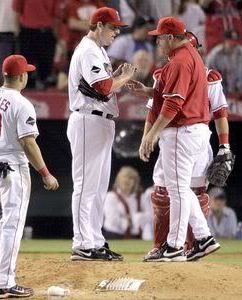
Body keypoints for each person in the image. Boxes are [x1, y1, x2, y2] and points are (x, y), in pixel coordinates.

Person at [130, 31, 232, 261]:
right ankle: (202, 238)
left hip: (184, 133)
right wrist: (148, 132)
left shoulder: (191, 67)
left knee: (180, 191)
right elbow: (157, 104)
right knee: (174, 189)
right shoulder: (177, 67)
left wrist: (224, 146)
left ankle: (175, 246)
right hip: (189, 134)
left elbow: (211, 110)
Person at [0, 54, 59, 298]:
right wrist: (46, 173)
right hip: (11, 170)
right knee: (14, 222)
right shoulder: (22, 103)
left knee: (3, 219)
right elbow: (28, 142)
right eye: (27, 73)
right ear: (21, 76)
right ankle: (5, 282)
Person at [67, 6, 136, 261]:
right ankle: (82, 242)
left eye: (117, 28)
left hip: (101, 121)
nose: (116, 32)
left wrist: (117, 75)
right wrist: (122, 76)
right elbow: (104, 88)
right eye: (112, 27)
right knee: (86, 186)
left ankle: (94, 240)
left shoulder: (99, 51)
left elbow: (103, 85)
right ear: (97, 26)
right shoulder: (87, 50)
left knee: (97, 188)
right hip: (88, 121)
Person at [103, 166, 154, 240]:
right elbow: (112, 219)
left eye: (131, 178)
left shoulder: (141, 197)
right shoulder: (111, 196)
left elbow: (150, 215)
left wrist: (133, 218)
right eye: (124, 177)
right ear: (118, 180)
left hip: (136, 237)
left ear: (135, 182)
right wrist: (129, 222)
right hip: (113, 236)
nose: (127, 180)